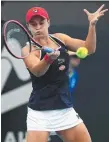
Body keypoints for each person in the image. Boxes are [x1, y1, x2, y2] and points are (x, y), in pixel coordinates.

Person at [22, 5, 108, 142]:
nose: (38, 27)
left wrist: (92, 25)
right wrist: (47, 60)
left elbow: (89, 48)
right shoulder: (28, 50)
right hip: (39, 113)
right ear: (28, 27)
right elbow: (37, 71)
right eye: (33, 24)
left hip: (64, 108)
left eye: (41, 23)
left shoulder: (60, 39)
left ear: (48, 22)